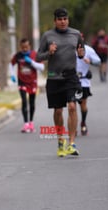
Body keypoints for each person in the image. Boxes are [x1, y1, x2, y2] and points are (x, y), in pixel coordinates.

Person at [36, 8, 85, 157]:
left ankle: (71, 143)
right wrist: (49, 52)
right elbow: (38, 57)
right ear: (55, 21)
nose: (63, 22)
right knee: (58, 111)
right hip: (54, 78)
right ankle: (60, 140)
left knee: (72, 107)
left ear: (68, 20)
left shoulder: (76, 34)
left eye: (65, 19)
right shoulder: (48, 36)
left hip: (71, 77)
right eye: (60, 19)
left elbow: (81, 52)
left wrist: (81, 55)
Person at [9, 38, 44, 133]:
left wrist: (32, 62)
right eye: (23, 47)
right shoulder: (18, 56)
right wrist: (12, 75)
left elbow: (42, 67)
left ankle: (31, 123)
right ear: (20, 47)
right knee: (24, 101)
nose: (24, 49)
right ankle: (25, 124)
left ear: (30, 46)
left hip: (32, 82)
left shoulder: (34, 55)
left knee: (32, 103)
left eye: (26, 47)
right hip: (22, 82)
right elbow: (11, 64)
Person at [76, 33, 101, 136]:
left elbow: (98, 61)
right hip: (72, 82)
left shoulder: (89, 50)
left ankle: (83, 122)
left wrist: (90, 61)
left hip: (84, 82)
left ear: (83, 39)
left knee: (83, 105)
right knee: (71, 106)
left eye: (80, 38)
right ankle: (73, 126)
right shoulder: (69, 50)